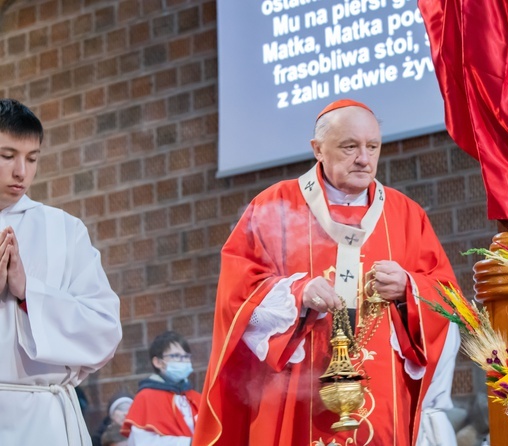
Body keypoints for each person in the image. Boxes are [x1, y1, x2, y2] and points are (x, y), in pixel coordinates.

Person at [193, 99, 458, 445]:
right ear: (317, 149)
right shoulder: (275, 204)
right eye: (350, 147)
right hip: (294, 394)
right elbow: (237, 292)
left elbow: (447, 298)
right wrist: (296, 294)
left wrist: (408, 288)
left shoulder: (406, 215)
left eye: (373, 146)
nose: (364, 158)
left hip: (381, 398)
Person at [0, 99, 122, 445]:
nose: (21, 172)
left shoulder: (63, 229)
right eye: (7, 156)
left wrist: (29, 293)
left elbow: (105, 331)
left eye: (32, 158)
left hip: (46, 420)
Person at [122, 331, 200, 445]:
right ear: (158, 362)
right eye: (176, 356)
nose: (183, 361)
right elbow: (145, 442)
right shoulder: (146, 398)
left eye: (186, 357)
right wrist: (189, 442)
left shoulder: (196, 397)